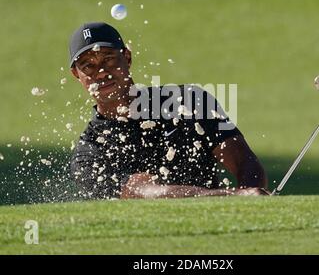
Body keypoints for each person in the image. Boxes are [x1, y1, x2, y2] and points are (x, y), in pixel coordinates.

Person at [69, 22, 269, 199]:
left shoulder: (189, 101)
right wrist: (232, 197)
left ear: (127, 57)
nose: (101, 72)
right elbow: (146, 193)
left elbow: (244, 161)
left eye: (108, 59)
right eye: (88, 66)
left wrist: (249, 202)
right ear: (76, 74)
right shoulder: (89, 154)